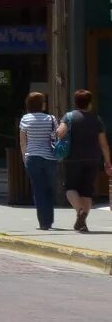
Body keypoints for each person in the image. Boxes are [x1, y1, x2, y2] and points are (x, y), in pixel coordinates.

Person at [57, 88, 112, 233]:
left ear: (75, 102)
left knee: (70, 188)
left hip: (73, 159)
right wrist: (107, 162)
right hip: (93, 159)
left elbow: (59, 133)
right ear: (89, 103)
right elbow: (103, 144)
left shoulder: (69, 117)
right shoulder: (97, 119)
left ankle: (80, 210)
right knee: (87, 190)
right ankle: (82, 223)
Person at [19, 91, 59, 230]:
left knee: (38, 189)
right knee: (48, 189)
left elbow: (23, 141)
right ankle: (49, 219)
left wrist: (25, 157)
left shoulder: (25, 119)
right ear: (41, 104)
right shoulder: (51, 119)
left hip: (33, 157)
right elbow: (56, 137)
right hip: (50, 158)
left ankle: (43, 222)